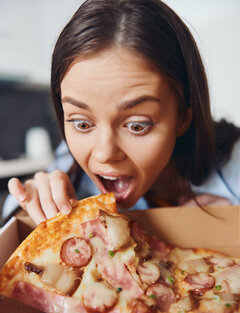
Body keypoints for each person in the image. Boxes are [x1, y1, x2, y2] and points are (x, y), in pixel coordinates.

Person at [4, 0, 240, 225]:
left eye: (137, 125)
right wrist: (30, 201)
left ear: (183, 115)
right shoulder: (68, 159)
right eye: (82, 124)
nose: (105, 154)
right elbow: (13, 216)